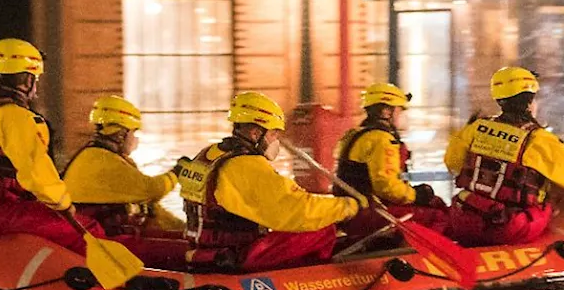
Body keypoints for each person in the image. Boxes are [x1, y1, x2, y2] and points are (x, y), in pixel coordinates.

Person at [0, 38, 104, 254]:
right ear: (27, 80)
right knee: (91, 230)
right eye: (34, 79)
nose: (35, 87)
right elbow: (35, 171)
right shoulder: (17, 118)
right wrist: (64, 204)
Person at [178, 91, 364, 271]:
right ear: (255, 132)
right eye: (274, 134)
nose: (277, 140)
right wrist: (346, 206)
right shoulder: (246, 165)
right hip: (234, 257)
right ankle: (312, 281)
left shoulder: (208, 154)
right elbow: (295, 209)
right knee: (321, 229)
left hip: (203, 253)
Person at [444, 66, 564, 247]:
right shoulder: (539, 140)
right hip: (508, 228)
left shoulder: (475, 128)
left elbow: (452, 162)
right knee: (550, 205)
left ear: (500, 100)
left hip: (464, 220)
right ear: (530, 102)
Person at [333, 83, 449, 241]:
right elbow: (385, 186)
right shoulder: (381, 139)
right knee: (439, 216)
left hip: (353, 210)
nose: (401, 115)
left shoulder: (356, 134)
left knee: (436, 202)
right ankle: (419, 260)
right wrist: (416, 195)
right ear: (386, 111)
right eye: (399, 110)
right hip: (368, 213)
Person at [63, 95, 184, 240]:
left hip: (110, 236)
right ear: (121, 133)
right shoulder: (103, 161)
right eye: (134, 132)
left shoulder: (99, 156)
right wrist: (177, 173)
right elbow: (153, 190)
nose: (136, 138)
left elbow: (152, 208)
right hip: (106, 241)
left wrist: (183, 229)